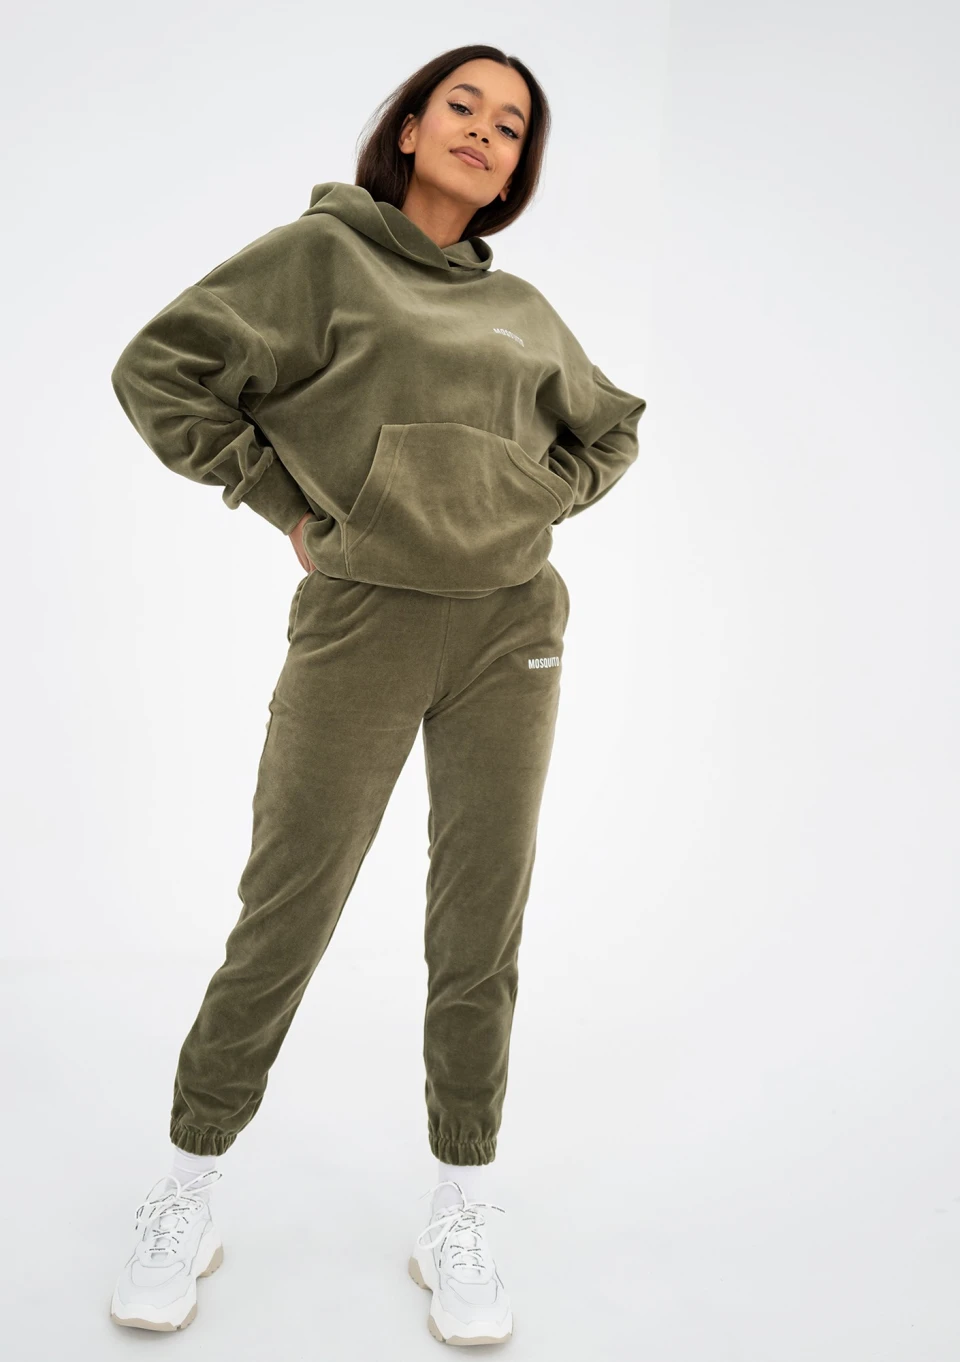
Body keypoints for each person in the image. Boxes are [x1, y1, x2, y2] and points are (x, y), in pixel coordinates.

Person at [107, 43, 646, 1344]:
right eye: (462, 105)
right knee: (287, 906)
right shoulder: (322, 259)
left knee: (481, 922)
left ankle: (462, 1200)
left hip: (512, 628)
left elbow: (609, 425)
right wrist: (286, 507)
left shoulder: (523, 310)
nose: (485, 131)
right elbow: (157, 369)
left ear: (517, 170)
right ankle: (188, 1182)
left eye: (511, 125)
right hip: (363, 622)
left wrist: (536, 500)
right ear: (408, 126)